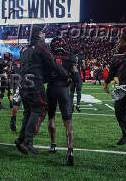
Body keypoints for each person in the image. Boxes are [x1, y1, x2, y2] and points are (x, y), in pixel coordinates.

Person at [15, 25, 70, 155]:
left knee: (28, 112)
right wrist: (65, 75)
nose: (44, 35)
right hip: (34, 82)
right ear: (39, 35)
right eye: (43, 33)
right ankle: (27, 141)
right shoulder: (41, 45)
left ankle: (21, 139)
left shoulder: (24, 49)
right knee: (40, 109)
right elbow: (52, 63)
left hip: (23, 82)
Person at [47, 36, 79, 165]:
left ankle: (53, 145)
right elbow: (75, 73)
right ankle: (70, 150)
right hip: (64, 89)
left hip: (52, 88)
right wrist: (73, 81)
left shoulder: (48, 56)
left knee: (51, 117)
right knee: (68, 120)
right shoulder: (70, 56)